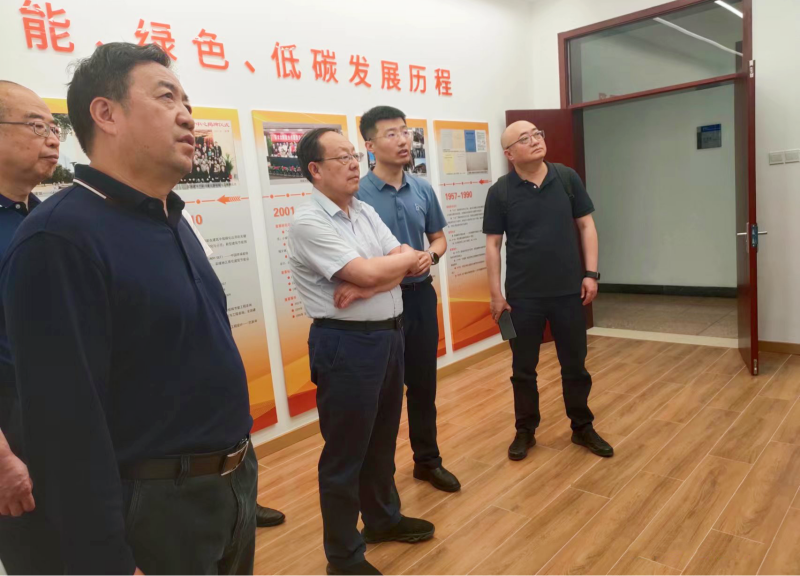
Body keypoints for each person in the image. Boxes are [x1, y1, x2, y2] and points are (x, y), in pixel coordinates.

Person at [0, 43, 258, 576]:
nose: (187, 115)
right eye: (166, 97)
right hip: (155, 505)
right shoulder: (60, 238)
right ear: (106, 113)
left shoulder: (170, 217)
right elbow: (65, 426)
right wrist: (106, 561)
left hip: (230, 487)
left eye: (187, 101)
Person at [289, 128, 435, 576]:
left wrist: (375, 279)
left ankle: (382, 519)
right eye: (342, 158)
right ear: (315, 170)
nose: (354, 163)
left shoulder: (364, 210)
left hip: (390, 336)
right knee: (345, 453)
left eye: (354, 154)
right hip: (346, 344)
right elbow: (377, 269)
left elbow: (410, 258)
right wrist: (378, 275)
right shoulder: (309, 222)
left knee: (382, 440)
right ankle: (344, 556)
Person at [483, 120, 614, 461]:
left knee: (575, 365)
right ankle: (525, 430)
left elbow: (586, 225)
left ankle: (582, 426)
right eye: (524, 138)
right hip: (522, 297)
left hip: (568, 292)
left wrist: (591, 274)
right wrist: (496, 294)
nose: (535, 140)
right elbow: (493, 245)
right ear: (510, 153)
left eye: (537, 134)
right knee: (523, 369)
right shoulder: (500, 192)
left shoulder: (566, 178)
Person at [356, 106, 460, 493]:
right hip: (378, 303)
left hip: (419, 297)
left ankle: (427, 461)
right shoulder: (358, 194)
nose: (403, 140)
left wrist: (430, 256)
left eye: (405, 132)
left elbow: (439, 238)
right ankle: (379, 480)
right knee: (381, 393)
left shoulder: (422, 188)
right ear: (370, 145)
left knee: (423, 385)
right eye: (391, 134)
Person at [0, 80, 63, 576]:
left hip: (60, 402)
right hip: (11, 415)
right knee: (37, 554)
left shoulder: (44, 216)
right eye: (37, 126)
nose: (53, 138)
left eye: (54, 126)